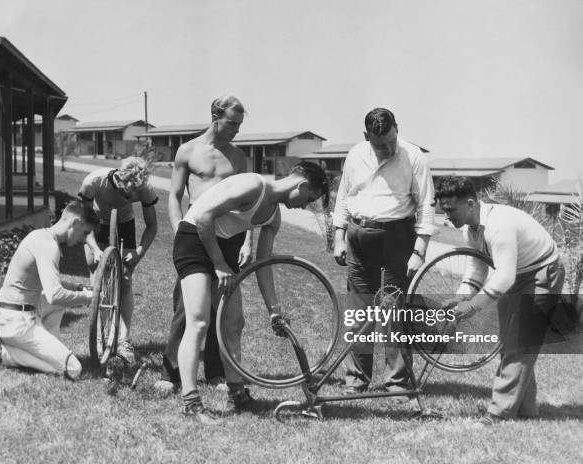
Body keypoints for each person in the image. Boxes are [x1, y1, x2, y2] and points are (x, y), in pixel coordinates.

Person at [174, 162, 329, 423]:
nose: (304, 205)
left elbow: (264, 266)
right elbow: (202, 217)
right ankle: (191, 403)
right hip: (194, 240)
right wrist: (220, 264)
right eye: (308, 198)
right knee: (199, 322)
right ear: (301, 185)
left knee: (234, 323)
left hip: (220, 248)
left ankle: (237, 395)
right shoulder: (253, 186)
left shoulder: (273, 216)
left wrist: (274, 312)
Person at [435, 176, 565, 424]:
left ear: (471, 204)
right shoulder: (469, 230)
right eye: (443, 209)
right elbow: (476, 271)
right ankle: (525, 410)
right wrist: (460, 297)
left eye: (451, 209)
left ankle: (499, 413)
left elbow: (503, 277)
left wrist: (472, 306)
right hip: (518, 274)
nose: (446, 216)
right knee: (510, 342)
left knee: (520, 342)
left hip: (542, 273)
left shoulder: (498, 226)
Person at [154, 94, 253, 394]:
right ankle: (171, 372)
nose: (237, 129)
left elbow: (246, 204)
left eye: (240, 124)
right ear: (215, 117)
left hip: (230, 238)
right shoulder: (188, 151)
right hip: (196, 234)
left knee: (221, 305)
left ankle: (216, 372)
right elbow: (173, 196)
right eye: (232, 123)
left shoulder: (238, 158)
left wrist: (247, 240)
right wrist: (178, 231)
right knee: (187, 307)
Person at [332, 107, 435, 395]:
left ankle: (397, 384)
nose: (387, 148)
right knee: (358, 314)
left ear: (397, 129)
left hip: (396, 238)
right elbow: (344, 195)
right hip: (358, 239)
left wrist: (419, 250)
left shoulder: (413, 156)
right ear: (366, 137)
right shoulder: (355, 155)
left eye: (391, 140)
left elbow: (426, 204)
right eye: (380, 145)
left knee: (393, 314)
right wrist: (339, 236)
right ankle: (356, 381)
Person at [0, 201, 99, 378]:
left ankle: (48, 347)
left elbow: (49, 285)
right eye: (85, 232)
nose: (84, 239)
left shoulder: (41, 236)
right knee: (73, 369)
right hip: (16, 322)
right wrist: (88, 297)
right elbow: (55, 295)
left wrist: (76, 287)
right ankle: (5, 353)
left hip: (13, 312)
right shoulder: (49, 246)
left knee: (57, 302)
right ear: (75, 223)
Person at [79, 156, 158, 365]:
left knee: (124, 279)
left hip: (124, 223)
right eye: (126, 190)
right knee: (95, 273)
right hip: (95, 222)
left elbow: (152, 226)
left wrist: (139, 252)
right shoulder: (94, 182)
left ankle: (123, 339)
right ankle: (100, 335)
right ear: (120, 177)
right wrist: (95, 248)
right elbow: (82, 221)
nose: (130, 195)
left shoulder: (145, 189)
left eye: (134, 193)